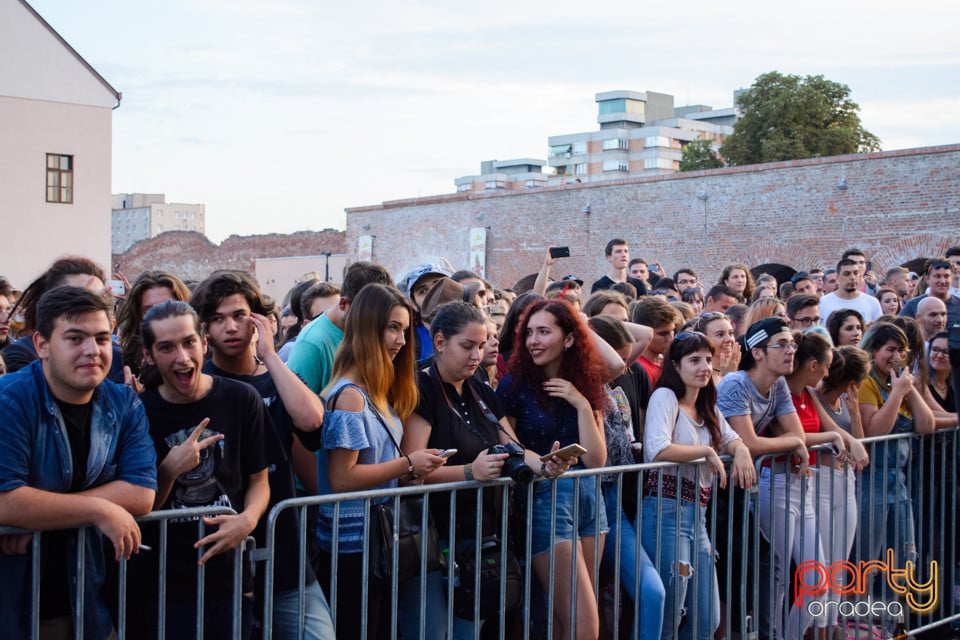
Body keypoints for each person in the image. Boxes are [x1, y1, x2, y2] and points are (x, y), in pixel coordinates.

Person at [402, 301, 569, 637]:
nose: (476, 355)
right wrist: (469, 472)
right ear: (439, 342)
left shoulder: (480, 388)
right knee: (432, 631)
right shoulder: (421, 389)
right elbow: (412, 470)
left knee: (468, 632)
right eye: (467, 346)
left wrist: (547, 464)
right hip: (432, 539)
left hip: (478, 536)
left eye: (481, 346)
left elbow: (512, 445)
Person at [0, 287, 157, 639]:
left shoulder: (122, 403)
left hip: (90, 604)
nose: (92, 351)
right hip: (16, 603)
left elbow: (142, 492)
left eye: (102, 338)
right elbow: (5, 500)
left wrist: (37, 512)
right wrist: (101, 510)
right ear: (41, 344)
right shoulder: (9, 401)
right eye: (75, 338)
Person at [188, 271, 334, 639]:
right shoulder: (198, 382)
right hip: (219, 558)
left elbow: (312, 418)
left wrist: (269, 356)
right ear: (204, 327)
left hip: (283, 549)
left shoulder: (275, 376)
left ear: (257, 319)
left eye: (239, 315)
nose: (231, 327)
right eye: (218, 319)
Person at [316, 283, 447, 640]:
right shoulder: (349, 397)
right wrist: (408, 465)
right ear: (367, 328)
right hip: (353, 545)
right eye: (392, 328)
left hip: (380, 539)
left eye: (404, 330)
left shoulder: (376, 391)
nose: (401, 340)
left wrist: (413, 467)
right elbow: (342, 478)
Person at [135, 300, 271, 639]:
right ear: (148, 355)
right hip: (163, 584)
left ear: (204, 344)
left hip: (229, 578)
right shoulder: (139, 411)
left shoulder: (242, 399)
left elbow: (260, 481)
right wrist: (168, 470)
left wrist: (247, 520)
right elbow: (139, 507)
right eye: (166, 348)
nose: (181, 357)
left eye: (188, 342)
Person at [496, 298, 609, 639]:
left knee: (566, 623)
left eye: (544, 332)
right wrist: (542, 463)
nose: (534, 341)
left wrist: (580, 402)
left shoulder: (586, 384)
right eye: (529, 332)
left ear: (570, 338)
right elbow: (508, 445)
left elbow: (597, 459)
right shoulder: (513, 385)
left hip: (590, 499)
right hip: (545, 499)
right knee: (584, 625)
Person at [642, 330, 755, 640]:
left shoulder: (707, 403)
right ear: (676, 366)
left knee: (707, 618)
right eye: (695, 360)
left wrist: (741, 450)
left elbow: (732, 439)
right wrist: (705, 452)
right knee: (671, 615)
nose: (705, 366)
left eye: (707, 359)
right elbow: (657, 449)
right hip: (666, 513)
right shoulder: (665, 396)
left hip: (698, 517)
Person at [716, 318, 822, 640]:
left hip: (739, 488)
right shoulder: (736, 383)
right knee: (744, 576)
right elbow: (750, 442)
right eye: (782, 345)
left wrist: (795, 441)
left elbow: (797, 432)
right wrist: (793, 443)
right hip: (714, 489)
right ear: (758, 353)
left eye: (792, 344)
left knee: (796, 572)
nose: (792, 351)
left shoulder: (777, 385)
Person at [784, 333, 869, 636]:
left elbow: (842, 432)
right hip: (809, 484)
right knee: (806, 573)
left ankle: (829, 628)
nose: (826, 373)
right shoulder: (798, 393)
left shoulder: (818, 395)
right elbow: (806, 434)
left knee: (835, 567)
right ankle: (810, 631)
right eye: (825, 366)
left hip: (840, 484)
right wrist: (837, 438)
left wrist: (849, 433)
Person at [587, 315, 665, 640]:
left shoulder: (608, 382)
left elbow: (645, 333)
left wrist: (588, 321)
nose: (624, 364)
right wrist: (580, 322)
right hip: (592, 502)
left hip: (615, 503)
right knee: (590, 610)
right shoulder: (585, 380)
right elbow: (619, 357)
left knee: (650, 592)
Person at [855, 321, 935, 608]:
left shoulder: (899, 381)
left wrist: (908, 389)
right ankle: (858, 622)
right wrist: (899, 393)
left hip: (897, 481)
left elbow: (927, 425)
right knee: (866, 558)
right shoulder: (865, 382)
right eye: (890, 350)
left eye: (902, 350)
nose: (897, 356)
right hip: (870, 481)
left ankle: (891, 622)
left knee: (903, 556)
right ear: (874, 350)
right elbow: (875, 430)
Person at [2, 256, 124, 382]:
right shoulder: (19, 354)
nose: (90, 309)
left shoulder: (116, 358)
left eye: (100, 299)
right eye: (76, 300)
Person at [287, 261, 393, 393]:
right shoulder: (311, 343)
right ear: (343, 304)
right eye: (367, 315)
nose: (374, 323)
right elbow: (298, 407)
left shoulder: (369, 332)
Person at [115, 270, 191, 380]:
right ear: (139, 316)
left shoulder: (205, 359)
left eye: (168, 307)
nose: (162, 317)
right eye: (151, 310)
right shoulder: (127, 370)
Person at [400, 263, 452, 360]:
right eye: (423, 291)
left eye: (438, 284)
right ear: (413, 304)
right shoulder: (409, 340)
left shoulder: (469, 325)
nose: (433, 293)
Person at [631, 296, 680, 385]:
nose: (671, 339)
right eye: (663, 334)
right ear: (644, 332)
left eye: (672, 331)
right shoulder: (638, 369)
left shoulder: (666, 361)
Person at [818, 258, 883, 325]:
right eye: (847, 274)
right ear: (837, 277)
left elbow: (879, 331)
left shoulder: (872, 302)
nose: (852, 277)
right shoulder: (823, 303)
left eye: (855, 273)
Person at [901, 257, 960, 328]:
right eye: (937, 276)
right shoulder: (913, 306)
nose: (942, 281)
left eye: (946, 276)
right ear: (927, 279)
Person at [928, 331, 955, 413]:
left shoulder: (954, 384)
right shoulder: (919, 382)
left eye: (946, 352)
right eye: (935, 350)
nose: (939, 355)